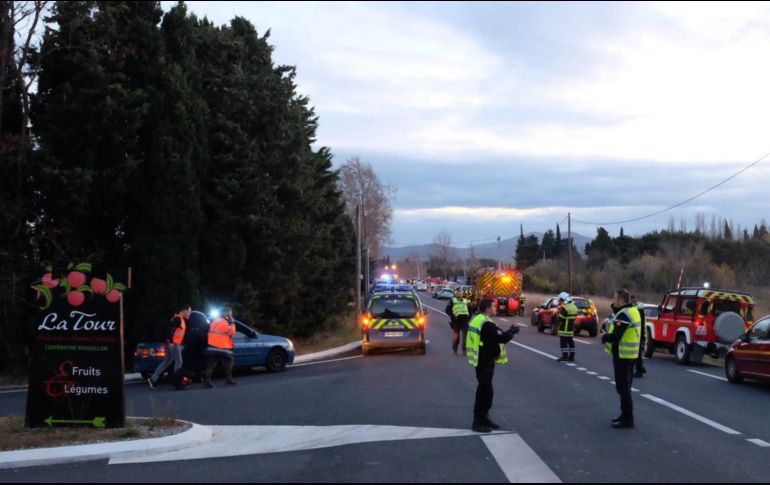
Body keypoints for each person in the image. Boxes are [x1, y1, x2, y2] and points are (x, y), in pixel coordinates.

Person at [466, 299, 519, 433]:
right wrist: (512, 331)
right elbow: (502, 337)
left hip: (481, 360)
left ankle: (484, 418)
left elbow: (494, 337)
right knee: (484, 392)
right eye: (494, 306)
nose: (495, 309)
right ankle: (478, 421)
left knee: (487, 391)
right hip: (485, 361)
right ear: (488, 309)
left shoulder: (478, 319)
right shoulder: (487, 324)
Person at [601, 289, 641, 429]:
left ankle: (628, 418)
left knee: (623, 388)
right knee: (625, 387)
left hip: (623, 355)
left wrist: (605, 337)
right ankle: (625, 414)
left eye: (615, 299)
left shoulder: (625, 314)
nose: (613, 301)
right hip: (630, 355)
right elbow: (616, 314)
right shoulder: (632, 311)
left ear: (622, 300)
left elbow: (617, 335)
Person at [148, 305, 191, 389]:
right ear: (184, 310)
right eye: (189, 311)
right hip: (173, 344)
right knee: (179, 361)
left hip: (172, 344)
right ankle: (177, 382)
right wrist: (171, 342)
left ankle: (153, 379)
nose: (189, 313)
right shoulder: (178, 319)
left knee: (166, 362)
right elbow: (169, 329)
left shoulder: (180, 319)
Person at [203, 307, 237, 388]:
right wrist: (232, 322)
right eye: (230, 313)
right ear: (227, 314)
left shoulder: (215, 321)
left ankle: (207, 380)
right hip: (221, 346)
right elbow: (232, 332)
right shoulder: (224, 323)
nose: (231, 314)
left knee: (212, 362)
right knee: (230, 360)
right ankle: (228, 379)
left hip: (212, 346)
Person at [446, 289, 471, 355]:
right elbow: (447, 310)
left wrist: (468, 319)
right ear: (455, 294)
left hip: (465, 320)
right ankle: (455, 347)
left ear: (462, 294)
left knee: (465, 336)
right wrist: (453, 317)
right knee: (456, 336)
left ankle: (464, 350)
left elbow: (470, 310)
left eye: (460, 293)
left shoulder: (466, 301)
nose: (459, 294)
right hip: (456, 320)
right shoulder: (452, 301)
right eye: (458, 293)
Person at [556, 292, 578, 362]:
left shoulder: (565, 308)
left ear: (564, 299)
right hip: (571, 328)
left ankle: (564, 356)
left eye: (561, 300)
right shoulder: (575, 307)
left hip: (564, 328)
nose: (561, 302)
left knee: (563, 343)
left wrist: (558, 313)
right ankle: (572, 356)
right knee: (571, 342)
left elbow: (560, 318)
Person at [631, 294, 648, 378]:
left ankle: (639, 370)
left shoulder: (637, 309)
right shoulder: (638, 308)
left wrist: (640, 336)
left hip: (638, 334)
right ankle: (641, 368)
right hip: (640, 334)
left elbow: (639, 324)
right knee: (637, 354)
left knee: (637, 355)